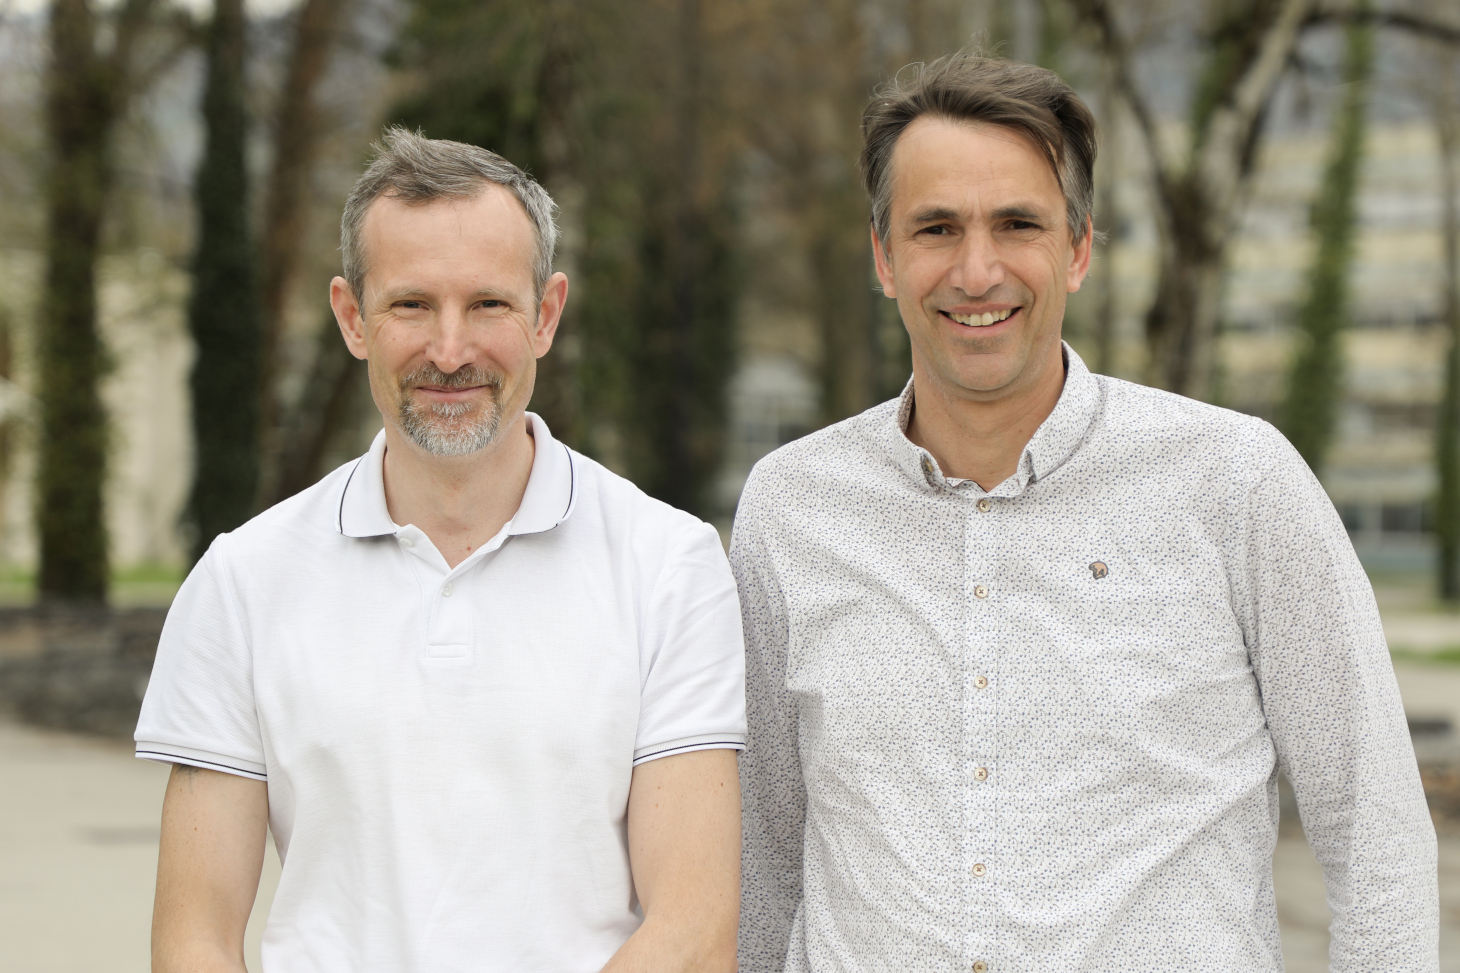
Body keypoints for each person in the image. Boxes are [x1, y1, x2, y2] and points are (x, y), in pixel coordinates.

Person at [733, 50, 1438, 972]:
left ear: (1078, 248)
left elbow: (1377, 838)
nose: (976, 270)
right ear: (883, 257)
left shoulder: (1236, 481)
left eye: (1017, 223)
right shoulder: (792, 509)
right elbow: (764, 858)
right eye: (936, 227)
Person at [137, 128, 745, 973]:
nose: (450, 351)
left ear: (546, 314)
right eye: (411, 305)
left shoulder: (671, 567)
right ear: (352, 317)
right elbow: (194, 940)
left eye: (489, 304)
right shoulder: (243, 581)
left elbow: (694, 933)